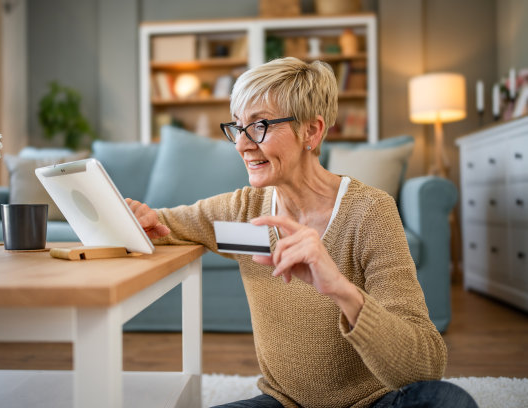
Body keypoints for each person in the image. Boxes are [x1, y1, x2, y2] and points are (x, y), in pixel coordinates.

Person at [127, 57, 477, 408]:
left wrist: (342, 291)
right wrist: (139, 217)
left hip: (372, 402)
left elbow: (425, 366)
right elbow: (167, 224)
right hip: (284, 403)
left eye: (260, 125)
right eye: (237, 127)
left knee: (449, 401)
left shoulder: (370, 213)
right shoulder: (243, 213)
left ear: (311, 131)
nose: (242, 145)